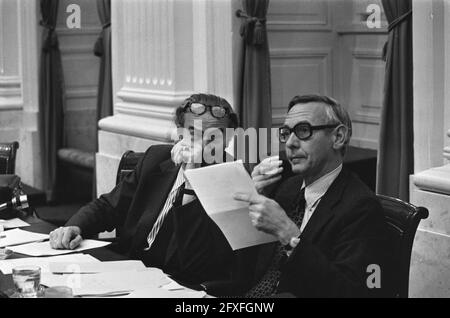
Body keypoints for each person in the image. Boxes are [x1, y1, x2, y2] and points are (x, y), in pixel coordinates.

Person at [49, 93, 241, 287]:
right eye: (193, 132)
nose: (201, 144)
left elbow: (194, 265)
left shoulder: (231, 184)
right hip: (127, 268)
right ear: (179, 132)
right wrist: (76, 226)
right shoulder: (156, 158)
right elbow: (109, 205)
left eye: (213, 137)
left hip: (177, 284)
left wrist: (192, 179)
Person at [234, 94, 389, 297]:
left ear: (338, 137)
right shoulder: (287, 188)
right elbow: (247, 269)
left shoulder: (361, 207)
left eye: (303, 131)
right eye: (286, 133)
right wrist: (249, 203)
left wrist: (288, 233)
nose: (290, 143)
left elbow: (353, 292)